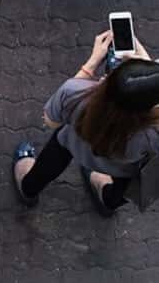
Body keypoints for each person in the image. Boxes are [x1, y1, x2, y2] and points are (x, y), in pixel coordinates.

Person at [12, 32, 159, 216]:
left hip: (75, 144)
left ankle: (29, 190)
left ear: (108, 80)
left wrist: (91, 63)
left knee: (55, 152)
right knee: (122, 190)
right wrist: (148, 74)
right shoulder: (154, 132)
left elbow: (51, 121)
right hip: (125, 169)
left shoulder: (75, 92)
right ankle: (107, 202)